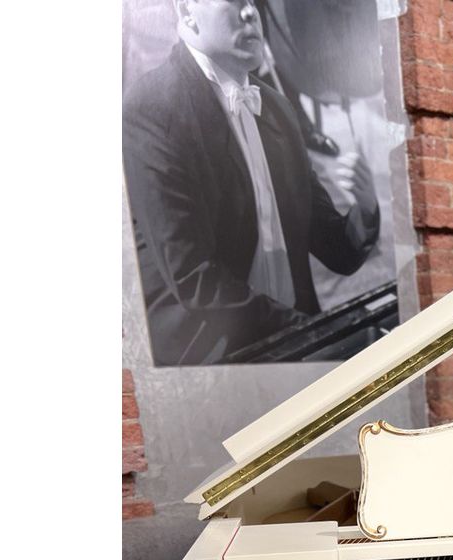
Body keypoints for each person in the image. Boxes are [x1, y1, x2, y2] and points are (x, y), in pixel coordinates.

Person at [123, 0, 380, 364]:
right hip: (213, 360)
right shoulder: (151, 110)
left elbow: (336, 248)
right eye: (235, 1)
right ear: (187, 13)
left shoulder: (278, 109)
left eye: (253, 2)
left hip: (295, 342)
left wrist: (364, 210)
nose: (250, 13)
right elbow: (194, 279)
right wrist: (306, 331)